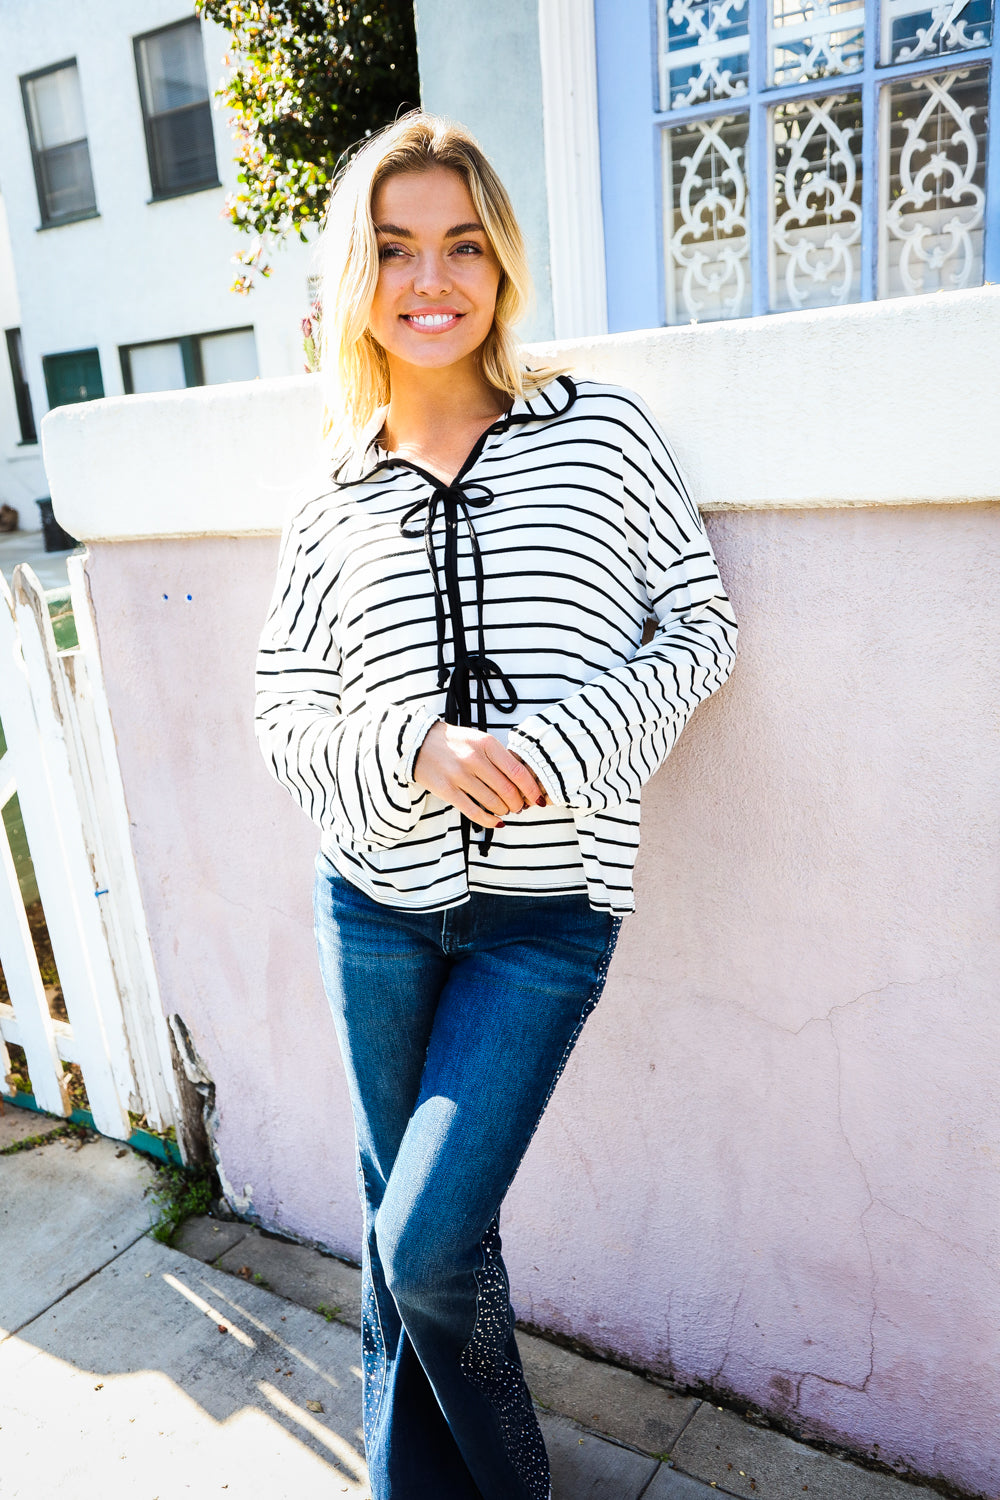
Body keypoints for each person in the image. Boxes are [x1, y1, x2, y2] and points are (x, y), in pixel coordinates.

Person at [255, 111, 737, 1500]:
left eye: (462, 244)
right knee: (404, 1238)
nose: (431, 279)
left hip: (547, 915)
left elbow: (697, 630)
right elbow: (285, 712)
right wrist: (413, 747)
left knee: (424, 1240)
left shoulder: (599, 433)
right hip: (374, 907)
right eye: (397, 248)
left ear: (502, 263)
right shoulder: (332, 493)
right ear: (358, 277)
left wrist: (553, 744)